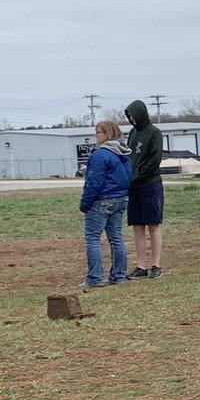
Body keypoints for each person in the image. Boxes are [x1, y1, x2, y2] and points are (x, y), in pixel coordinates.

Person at [79, 121, 132, 288]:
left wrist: (85, 203)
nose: (96, 136)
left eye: (98, 132)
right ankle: (119, 275)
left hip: (101, 200)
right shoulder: (124, 154)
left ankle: (94, 278)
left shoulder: (100, 155)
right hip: (120, 199)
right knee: (116, 238)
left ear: (106, 134)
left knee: (92, 238)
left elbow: (94, 181)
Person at [124, 99, 164, 279]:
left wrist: (140, 175)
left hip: (150, 184)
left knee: (153, 225)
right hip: (133, 187)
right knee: (137, 227)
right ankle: (141, 266)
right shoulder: (132, 133)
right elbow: (128, 157)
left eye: (133, 116)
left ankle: (156, 265)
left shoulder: (154, 133)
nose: (132, 120)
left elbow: (155, 159)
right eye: (129, 117)